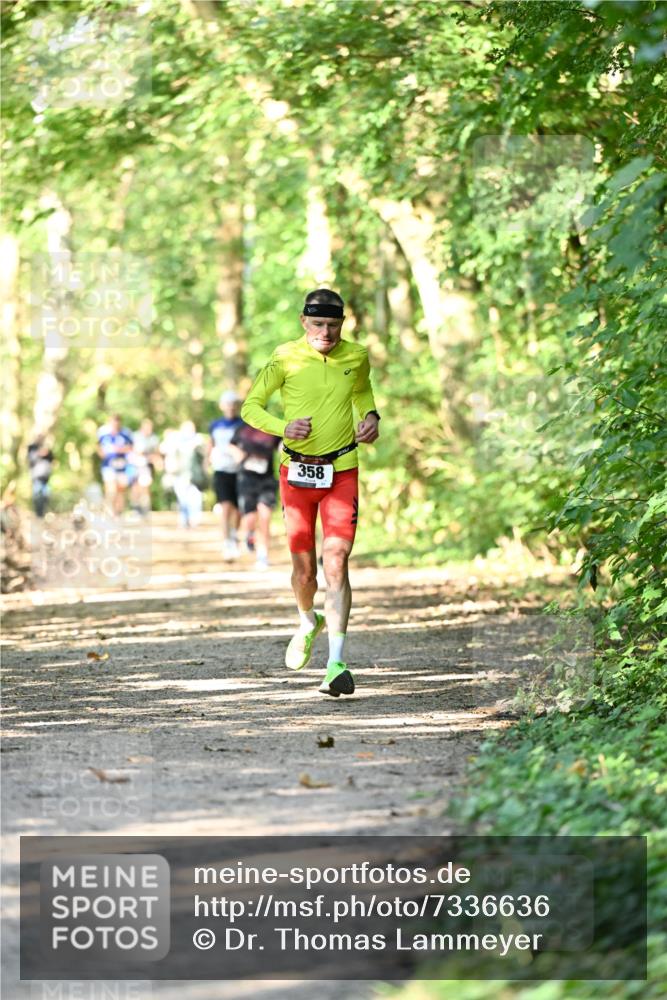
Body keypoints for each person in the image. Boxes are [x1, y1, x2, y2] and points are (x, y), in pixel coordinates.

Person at [241, 288, 380, 697]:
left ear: (343, 324)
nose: (326, 333)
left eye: (333, 326)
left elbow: (362, 392)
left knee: (336, 560)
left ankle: (336, 663)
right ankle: (307, 619)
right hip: (297, 474)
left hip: (342, 469)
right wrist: (283, 427)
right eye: (318, 324)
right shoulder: (284, 356)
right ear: (304, 321)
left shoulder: (355, 357)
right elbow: (252, 406)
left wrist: (371, 416)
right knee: (306, 573)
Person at [228, 421, 282, 570]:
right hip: (246, 479)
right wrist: (236, 453)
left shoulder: (271, 427)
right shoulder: (242, 428)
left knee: (265, 517)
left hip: (267, 480)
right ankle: (249, 534)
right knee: (250, 519)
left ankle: (262, 556)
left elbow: (281, 445)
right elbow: (231, 444)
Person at [208, 390, 243, 560]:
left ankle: (235, 536)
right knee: (225, 507)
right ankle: (226, 543)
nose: (230, 407)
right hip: (221, 469)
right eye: (227, 404)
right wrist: (207, 459)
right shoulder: (215, 425)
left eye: (233, 404)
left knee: (238, 509)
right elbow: (211, 444)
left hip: (239, 470)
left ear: (237, 406)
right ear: (222, 406)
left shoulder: (242, 424)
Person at [97, 415, 134, 517]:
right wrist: (104, 454)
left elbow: (130, 447)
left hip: (122, 466)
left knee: (120, 490)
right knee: (111, 489)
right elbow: (99, 448)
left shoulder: (125, 434)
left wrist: (118, 449)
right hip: (108, 466)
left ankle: (119, 512)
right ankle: (109, 511)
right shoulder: (104, 435)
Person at [129, 418, 160, 516]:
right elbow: (130, 450)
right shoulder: (134, 436)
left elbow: (156, 452)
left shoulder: (154, 438)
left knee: (145, 487)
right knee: (135, 487)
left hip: (146, 466)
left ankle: (145, 509)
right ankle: (135, 508)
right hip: (134, 465)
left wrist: (155, 460)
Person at [27, 435, 55, 518]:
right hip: (37, 477)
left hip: (45, 477)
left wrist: (47, 453)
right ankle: (38, 514)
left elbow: (52, 459)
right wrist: (40, 453)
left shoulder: (47, 448)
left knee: (46, 496)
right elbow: (31, 459)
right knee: (37, 496)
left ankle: (43, 513)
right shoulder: (32, 448)